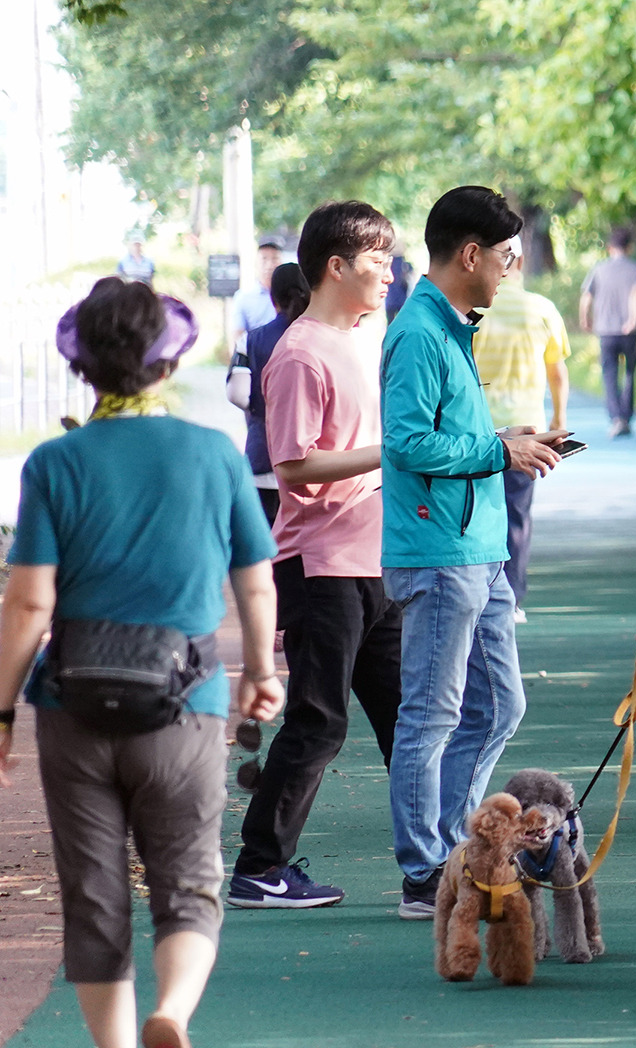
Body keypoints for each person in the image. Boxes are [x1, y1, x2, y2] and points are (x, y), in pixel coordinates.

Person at [0, 278, 284, 1048]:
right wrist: (261, 672)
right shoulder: (213, 454)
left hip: (72, 704)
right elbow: (255, 582)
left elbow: (27, 604)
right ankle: (172, 1013)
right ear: (169, 362)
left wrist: (0, 712)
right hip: (185, 700)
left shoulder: (54, 463)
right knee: (189, 879)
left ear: (84, 366)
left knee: (93, 894)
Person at [380, 186, 564, 920]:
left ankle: (457, 850)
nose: (509, 271)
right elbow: (407, 440)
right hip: (439, 550)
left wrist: (512, 440)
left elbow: (445, 431)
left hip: (477, 548)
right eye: (507, 257)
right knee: (431, 714)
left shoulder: (449, 325)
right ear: (470, 255)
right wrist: (498, 448)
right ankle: (425, 873)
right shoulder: (421, 331)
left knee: (498, 705)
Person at [226, 202, 406, 911]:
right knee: (318, 720)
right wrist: (395, 455)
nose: (389, 273)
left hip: (373, 562)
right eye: (378, 261)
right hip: (320, 566)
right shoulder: (300, 352)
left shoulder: (366, 335)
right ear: (337, 266)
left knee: (408, 719)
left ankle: (439, 865)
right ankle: (259, 867)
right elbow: (294, 465)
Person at [471, 267, 571, 622]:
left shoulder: (474, 309)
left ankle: (480, 590)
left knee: (476, 511)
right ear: (522, 260)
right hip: (528, 432)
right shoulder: (541, 309)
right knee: (516, 514)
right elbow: (556, 373)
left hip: (478, 430)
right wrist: (558, 420)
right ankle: (510, 598)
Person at [224, 262, 311, 524]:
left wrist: (261, 410)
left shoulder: (250, 340)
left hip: (263, 457)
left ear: (273, 298)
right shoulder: (323, 336)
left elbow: (237, 394)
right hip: (313, 464)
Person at [579, 227, 636, 438]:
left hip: (605, 331)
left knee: (609, 374)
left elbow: (586, 297)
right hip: (629, 332)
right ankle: (626, 417)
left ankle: (616, 418)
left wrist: (585, 319)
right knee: (629, 374)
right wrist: (632, 321)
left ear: (610, 248)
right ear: (630, 247)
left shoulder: (599, 269)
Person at [231, 236, 286, 350]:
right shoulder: (243, 297)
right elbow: (238, 339)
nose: (270, 265)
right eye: (264, 259)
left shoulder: (293, 295)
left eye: (275, 259)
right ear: (256, 263)